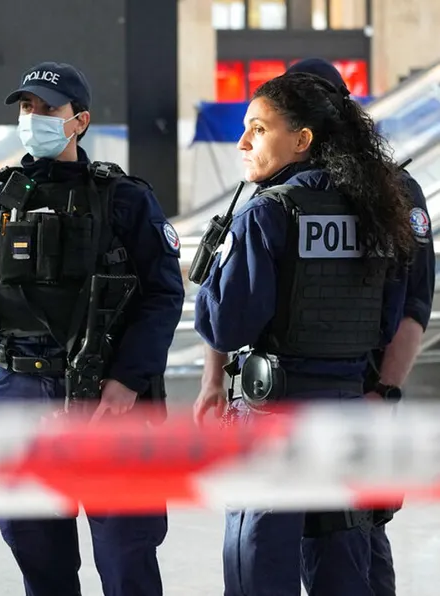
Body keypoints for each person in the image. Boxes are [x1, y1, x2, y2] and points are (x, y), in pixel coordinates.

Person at [0, 61, 185, 596]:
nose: (33, 117)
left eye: (48, 109)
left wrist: (128, 380)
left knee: (126, 550)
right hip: (20, 392)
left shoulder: (126, 200)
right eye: (26, 107)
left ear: (79, 120)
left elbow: (163, 296)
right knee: (34, 545)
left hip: (110, 396)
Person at [191, 71, 415, 595]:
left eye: (258, 128)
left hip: (274, 418)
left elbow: (227, 323)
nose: (244, 142)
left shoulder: (268, 213)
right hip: (349, 413)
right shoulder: (378, 211)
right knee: (343, 568)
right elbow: (391, 317)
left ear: (301, 139)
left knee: (258, 570)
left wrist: (212, 279)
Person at [283, 58, 436, 596]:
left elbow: (415, 304)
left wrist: (384, 390)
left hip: (361, 389)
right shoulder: (281, 192)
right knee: (313, 535)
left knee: (355, 533)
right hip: (294, 396)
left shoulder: (395, 191)